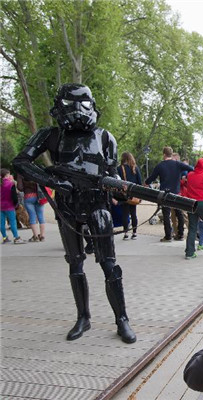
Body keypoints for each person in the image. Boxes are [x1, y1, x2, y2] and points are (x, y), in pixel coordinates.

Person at [12, 83, 136, 343]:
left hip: (98, 205)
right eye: (72, 103)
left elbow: (112, 172)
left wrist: (118, 187)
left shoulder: (104, 137)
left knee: (109, 264)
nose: (79, 110)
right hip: (67, 207)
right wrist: (54, 181)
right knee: (75, 262)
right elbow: (21, 161)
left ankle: (122, 318)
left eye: (84, 103)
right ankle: (83, 317)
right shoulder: (51, 135)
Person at [145, 146, 193, 242]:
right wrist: (185, 177)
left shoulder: (160, 166)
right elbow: (191, 168)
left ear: (164, 155)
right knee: (179, 213)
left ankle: (168, 236)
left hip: (165, 193)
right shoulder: (178, 164)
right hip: (176, 192)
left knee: (166, 214)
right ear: (171, 154)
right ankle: (180, 235)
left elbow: (152, 177)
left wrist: (146, 183)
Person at [118, 152, 142, 240]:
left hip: (124, 194)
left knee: (125, 214)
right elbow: (139, 182)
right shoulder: (135, 168)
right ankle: (134, 233)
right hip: (134, 194)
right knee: (134, 214)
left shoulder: (120, 168)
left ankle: (126, 233)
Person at [16, 174, 47, 242]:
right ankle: (42, 236)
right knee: (41, 216)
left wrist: (25, 186)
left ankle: (35, 236)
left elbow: (20, 188)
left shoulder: (20, 173)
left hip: (28, 196)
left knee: (32, 216)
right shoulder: (33, 170)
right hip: (39, 196)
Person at [1, 169, 25, 244]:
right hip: (9, 205)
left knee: (1, 223)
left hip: (1, 206)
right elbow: (14, 196)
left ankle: (5, 237)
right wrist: (16, 204)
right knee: (12, 222)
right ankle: (16, 237)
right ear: (7, 175)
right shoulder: (11, 184)